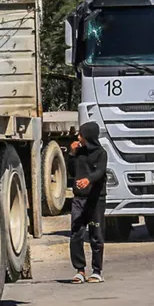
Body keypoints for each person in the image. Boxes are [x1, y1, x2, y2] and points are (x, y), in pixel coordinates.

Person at [68, 121, 109, 284]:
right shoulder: (79, 152)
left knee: (96, 235)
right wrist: (71, 154)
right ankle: (80, 270)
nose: (78, 137)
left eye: (81, 135)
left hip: (95, 199)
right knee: (76, 234)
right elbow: (72, 172)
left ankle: (97, 271)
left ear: (89, 137)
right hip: (79, 199)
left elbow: (100, 172)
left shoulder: (101, 153)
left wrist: (88, 180)